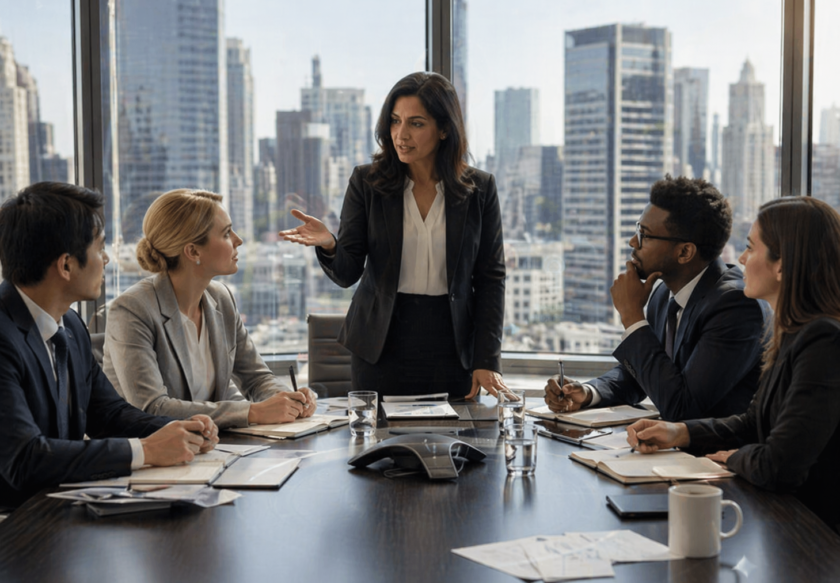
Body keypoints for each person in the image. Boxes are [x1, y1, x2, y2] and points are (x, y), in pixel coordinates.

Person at [278, 72, 507, 398]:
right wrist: (330, 243)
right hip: (380, 342)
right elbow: (347, 272)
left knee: (454, 443)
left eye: (416, 123)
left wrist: (487, 359)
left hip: (453, 345)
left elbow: (490, 279)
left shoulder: (480, 188)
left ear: (444, 129)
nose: (401, 135)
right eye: (395, 121)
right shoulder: (367, 182)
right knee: (379, 444)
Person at [0, 182, 219, 509]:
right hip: (14, 527)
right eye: (99, 248)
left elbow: (107, 413)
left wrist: (177, 430)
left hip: (59, 512)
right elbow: (24, 459)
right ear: (66, 265)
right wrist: (146, 451)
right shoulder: (3, 337)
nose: (106, 259)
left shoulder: (70, 325)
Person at [628, 197, 840, 531]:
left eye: (751, 249)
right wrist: (679, 432)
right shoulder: (793, 334)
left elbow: (779, 466)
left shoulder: (824, 341)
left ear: (782, 265)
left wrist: (735, 457)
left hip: (815, 537)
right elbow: (752, 424)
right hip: (782, 521)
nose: (741, 260)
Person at [545, 176, 769, 421]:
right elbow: (642, 374)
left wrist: (633, 318)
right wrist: (588, 393)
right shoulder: (664, 293)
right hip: (676, 450)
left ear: (684, 252)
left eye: (644, 235)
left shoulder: (736, 306)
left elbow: (682, 408)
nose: (633, 242)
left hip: (721, 455)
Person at [103, 189, 316, 429]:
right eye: (226, 233)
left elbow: (256, 378)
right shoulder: (132, 310)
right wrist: (252, 412)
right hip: (151, 453)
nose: (238, 240)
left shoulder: (221, 297)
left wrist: (288, 399)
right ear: (193, 251)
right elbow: (152, 407)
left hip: (213, 448)